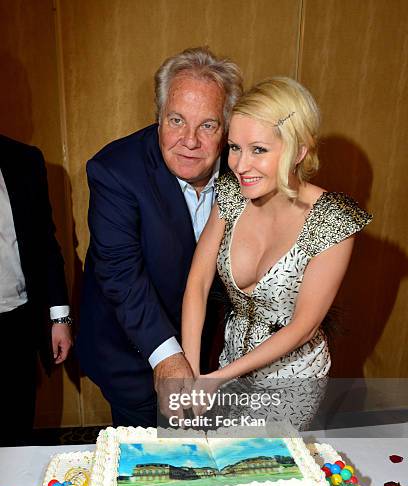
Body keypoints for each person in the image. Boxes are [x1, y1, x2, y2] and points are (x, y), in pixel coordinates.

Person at [181, 77, 372, 430]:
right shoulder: (231, 194)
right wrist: (191, 370)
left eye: (259, 150)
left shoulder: (333, 218)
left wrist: (218, 378)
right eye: (234, 147)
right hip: (228, 364)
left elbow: (304, 326)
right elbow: (198, 280)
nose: (239, 165)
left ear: (299, 150)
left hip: (292, 379)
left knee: (262, 470)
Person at [76, 47, 243, 427]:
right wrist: (167, 356)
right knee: (151, 468)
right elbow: (119, 274)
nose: (190, 140)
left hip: (218, 359)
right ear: (158, 116)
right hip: (136, 356)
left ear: (227, 126)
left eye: (208, 125)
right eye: (177, 120)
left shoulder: (244, 168)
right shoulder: (115, 171)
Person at [0, 135, 72, 445]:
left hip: (17, 322)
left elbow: (45, 243)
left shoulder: (24, 160)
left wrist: (60, 318)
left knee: (16, 430)